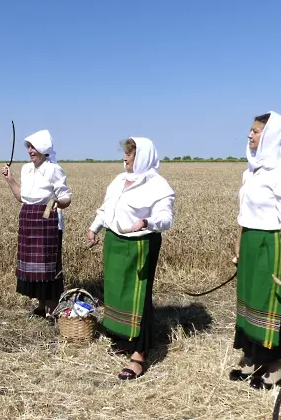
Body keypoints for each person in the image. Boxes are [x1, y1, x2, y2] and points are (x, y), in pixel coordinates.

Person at [86, 137, 175, 380]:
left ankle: (139, 355)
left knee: (138, 297)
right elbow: (107, 209)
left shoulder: (158, 185)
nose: (125, 158)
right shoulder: (118, 180)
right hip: (114, 242)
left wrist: (147, 222)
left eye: (130, 154)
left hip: (140, 244)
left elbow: (166, 218)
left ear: (143, 156)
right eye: (125, 153)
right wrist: (94, 228)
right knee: (116, 293)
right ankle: (124, 339)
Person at [230, 111, 281, 389]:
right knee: (250, 299)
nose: (249, 135)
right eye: (250, 130)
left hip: (272, 242)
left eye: (256, 131)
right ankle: (252, 356)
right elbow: (244, 212)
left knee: (271, 300)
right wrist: (240, 240)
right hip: (251, 241)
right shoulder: (252, 170)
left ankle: (276, 364)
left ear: (271, 136)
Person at [1, 130, 72, 317]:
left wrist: (57, 202)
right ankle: (41, 306)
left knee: (49, 265)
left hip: (47, 220)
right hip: (28, 218)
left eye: (34, 147)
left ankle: (53, 307)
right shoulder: (26, 169)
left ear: (44, 149)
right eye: (29, 147)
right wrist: (10, 179)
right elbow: (21, 197)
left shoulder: (54, 169)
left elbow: (66, 198)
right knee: (34, 266)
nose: (30, 151)